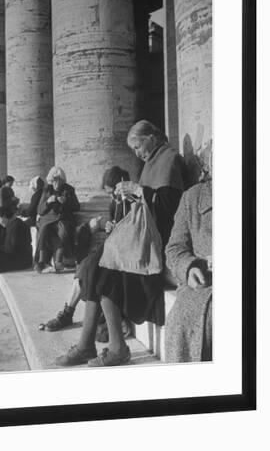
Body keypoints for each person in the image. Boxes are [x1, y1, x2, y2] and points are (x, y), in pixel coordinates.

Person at [56, 120, 186, 367]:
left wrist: (138, 191)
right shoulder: (151, 163)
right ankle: (87, 345)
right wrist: (132, 196)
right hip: (141, 238)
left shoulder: (170, 159)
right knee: (94, 265)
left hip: (156, 244)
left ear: (152, 136)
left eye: (137, 146)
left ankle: (116, 348)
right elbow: (147, 202)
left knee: (105, 272)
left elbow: (170, 208)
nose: (137, 153)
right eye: (134, 149)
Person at [42, 166, 129, 331]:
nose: (112, 197)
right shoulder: (116, 203)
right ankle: (67, 313)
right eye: (109, 194)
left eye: (113, 192)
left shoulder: (130, 202)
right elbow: (112, 222)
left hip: (123, 253)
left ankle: (67, 314)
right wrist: (106, 225)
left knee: (89, 268)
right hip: (112, 247)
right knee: (85, 267)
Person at [165, 176, 212, 362]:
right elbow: (175, 248)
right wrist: (189, 267)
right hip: (201, 286)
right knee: (181, 323)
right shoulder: (193, 197)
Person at [34, 166, 80, 273]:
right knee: (44, 230)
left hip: (63, 219)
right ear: (51, 180)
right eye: (54, 180)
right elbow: (40, 210)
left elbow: (77, 207)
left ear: (63, 180)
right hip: (48, 219)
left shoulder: (69, 189)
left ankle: (59, 260)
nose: (57, 183)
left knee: (63, 231)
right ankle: (42, 261)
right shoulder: (46, 190)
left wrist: (67, 202)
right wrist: (48, 202)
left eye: (59, 180)